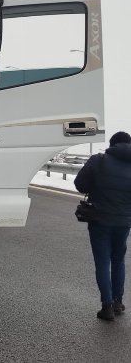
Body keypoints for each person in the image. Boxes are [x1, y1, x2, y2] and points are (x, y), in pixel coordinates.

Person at [74, 131, 131, 321]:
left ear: (112, 144)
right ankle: (118, 302)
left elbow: (80, 184)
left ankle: (106, 306)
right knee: (118, 260)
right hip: (124, 222)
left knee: (103, 262)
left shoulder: (99, 160)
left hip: (99, 220)